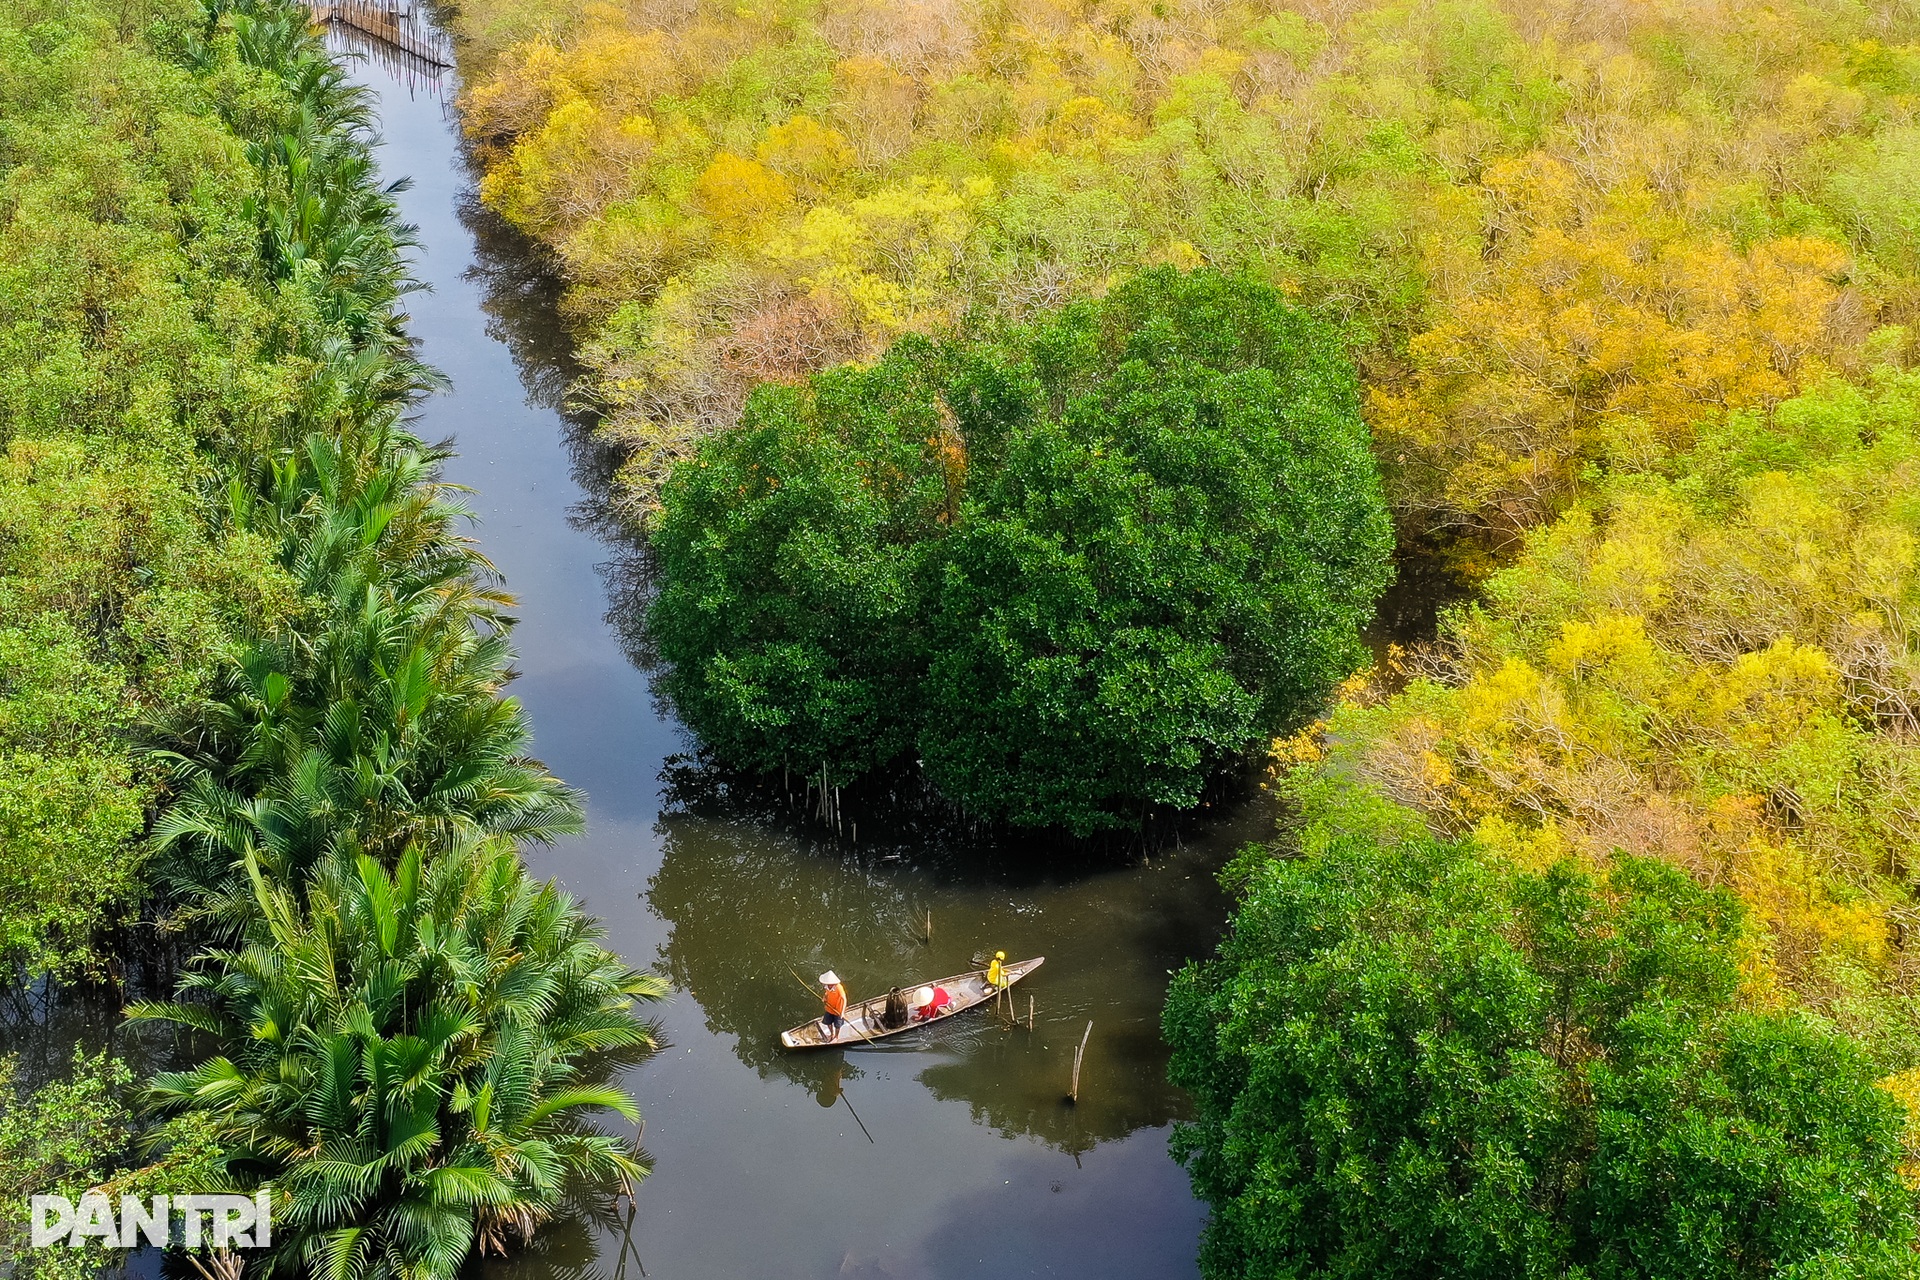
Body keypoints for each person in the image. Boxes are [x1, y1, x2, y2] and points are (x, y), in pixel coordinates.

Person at [819, 970, 847, 1038]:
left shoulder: (838, 988)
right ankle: (832, 1034)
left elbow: (844, 999)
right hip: (829, 1007)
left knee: (837, 1025)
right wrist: (824, 998)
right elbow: (826, 993)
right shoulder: (827, 986)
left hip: (838, 1010)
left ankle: (836, 1037)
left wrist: (842, 1012)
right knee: (828, 1022)